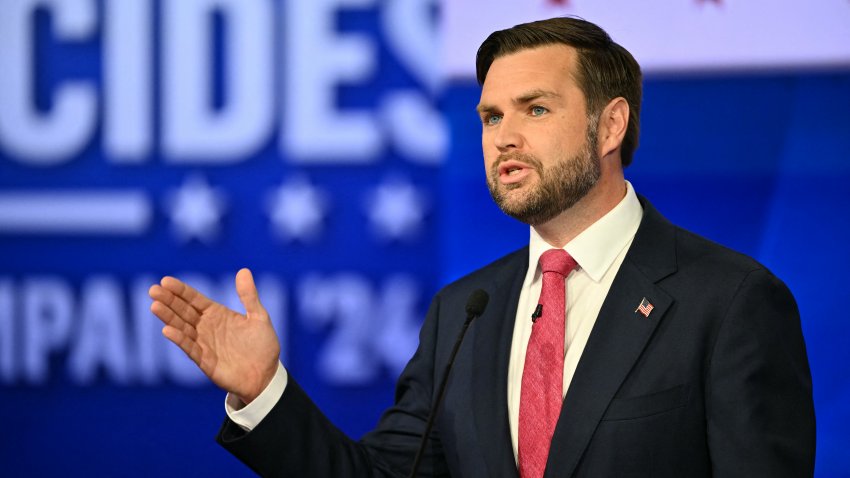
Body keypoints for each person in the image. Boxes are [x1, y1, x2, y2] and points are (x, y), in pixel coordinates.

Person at [148, 17, 815, 478]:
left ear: (610, 124)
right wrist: (266, 392)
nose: (503, 137)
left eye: (536, 109)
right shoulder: (464, 312)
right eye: (492, 116)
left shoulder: (728, 301)